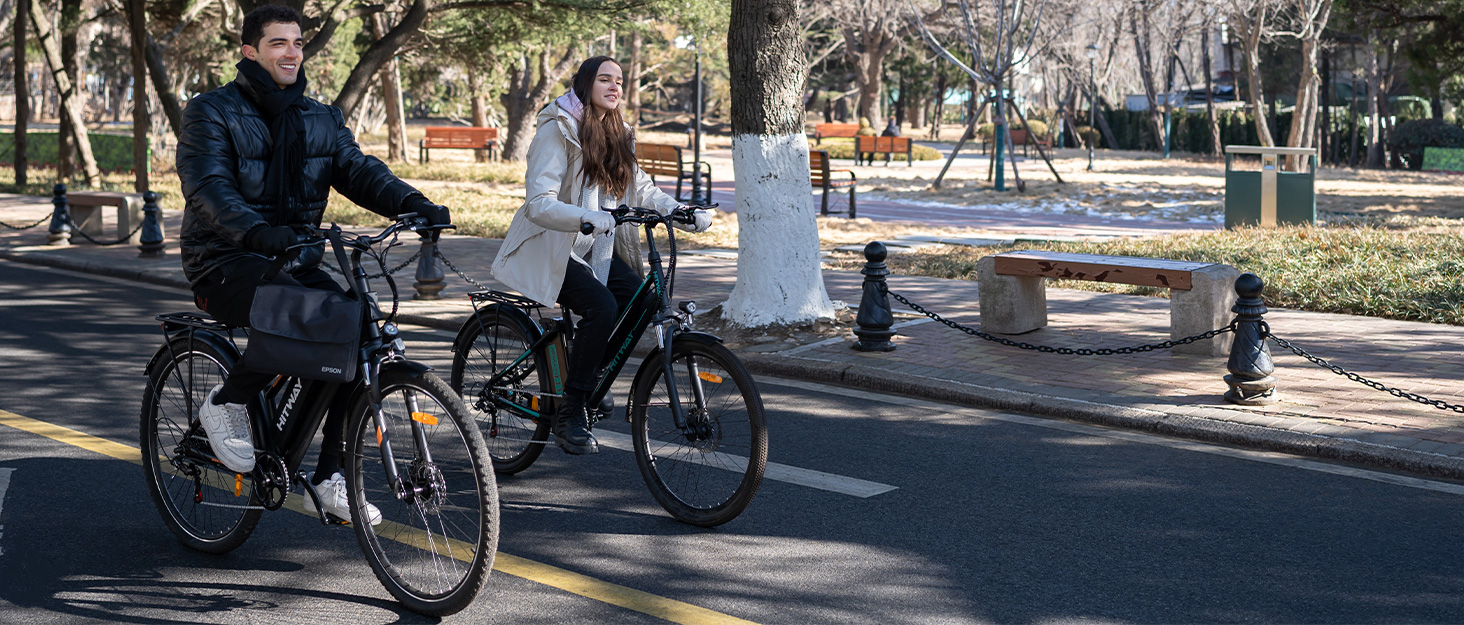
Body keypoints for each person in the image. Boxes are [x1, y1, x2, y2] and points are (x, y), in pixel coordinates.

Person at [176, 5, 450, 524]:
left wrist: (414, 203)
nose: (292, 53)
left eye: (298, 43)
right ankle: (224, 401)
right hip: (224, 260)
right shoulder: (210, 112)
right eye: (279, 43)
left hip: (292, 258)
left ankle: (329, 477)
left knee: (356, 326)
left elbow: (359, 171)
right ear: (250, 51)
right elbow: (208, 188)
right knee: (314, 316)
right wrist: (255, 230)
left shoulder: (319, 117)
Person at [491, 56, 712, 455]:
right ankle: (570, 411)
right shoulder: (557, 128)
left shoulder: (618, 132)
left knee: (644, 298)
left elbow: (640, 188)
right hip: (553, 246)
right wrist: (587, 217)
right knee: (602, 307)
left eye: (619, 81)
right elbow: (538, 204)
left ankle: (586, 372)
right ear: (585, 85)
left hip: (597, 248)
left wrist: (679, 211)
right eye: (604, 79)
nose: (614, 87)